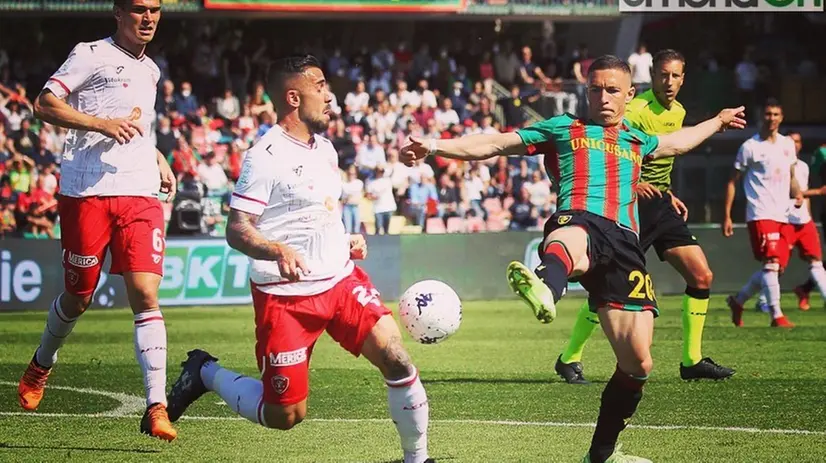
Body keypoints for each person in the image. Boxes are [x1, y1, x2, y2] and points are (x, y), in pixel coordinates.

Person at [401, 55, 745, 463]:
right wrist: (436, 146)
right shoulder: (563, 129)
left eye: (612, 89)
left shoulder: (637, 140)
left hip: (627, 244)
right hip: (580, 216)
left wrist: (719, 121)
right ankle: (547, 287)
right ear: (586, 91)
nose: (603, 96)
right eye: (596, 88)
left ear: (629, 94)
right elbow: (495, 143)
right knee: (573, 237)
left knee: (638, 363)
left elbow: (679, 141)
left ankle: (602, 455)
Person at [165, 56, 433, 463]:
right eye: (321, 87)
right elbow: (237, 228)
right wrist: (276, 250)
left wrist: (346, 241)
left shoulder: (325, 148)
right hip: (285, 298)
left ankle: (417, 458)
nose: (331, 97)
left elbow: (317, 213)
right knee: (285, 415)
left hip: (341, 282)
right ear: (293, 97)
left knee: (396, 358)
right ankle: (205, 372)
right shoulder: (265, 156)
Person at [17, 0, 178, 441]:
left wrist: (158, 157)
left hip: (140, 192)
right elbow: (44, 104)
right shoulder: (90, 54)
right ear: (118, 12)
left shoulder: (152, 70)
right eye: (140, 9)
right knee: (78, 296)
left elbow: (142, 129)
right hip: (86, 192)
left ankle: (157, 406)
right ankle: (41, 364)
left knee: (145, 292)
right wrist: (99, 123)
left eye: (156, 10)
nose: (148, 19)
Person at [554, 50, 734, 385]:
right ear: (651, 77)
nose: (669, 82)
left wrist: (666, 192)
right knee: (611, 287)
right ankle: (569, 357)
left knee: (701, 275)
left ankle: (691, 360)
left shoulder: (678, 111)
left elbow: (663, 151)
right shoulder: (634, 109)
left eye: (676, 76)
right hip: (628, 204)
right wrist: (636, 184)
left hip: (660, 204)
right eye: (663, 75)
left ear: (683, 79)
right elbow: (612, 149)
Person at [724, 99, 801, 328]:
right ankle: (776, 315)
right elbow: (732, 181)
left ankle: (738, 301)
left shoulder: (787, 144)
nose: (772, 118)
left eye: (776, 114)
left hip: (783, 214)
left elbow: (792, 175)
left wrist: (797, 194)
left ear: (782, 117)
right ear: (761, 116)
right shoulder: (750, 147)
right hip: (760, 213)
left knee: (776, 268)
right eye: (768, 114)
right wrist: (727, 215)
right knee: (771, 263)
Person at [791, 133, 826, 310]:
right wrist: (819, 192)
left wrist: (809, 215)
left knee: (816, 260)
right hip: (784, 219)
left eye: (797, 141)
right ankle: (763, 301)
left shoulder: (803, 167)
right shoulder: (822, 153)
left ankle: (804, 289)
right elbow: (793, 193)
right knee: (775, 264)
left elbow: (803, 195)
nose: (794, 145)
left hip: (804, 219)